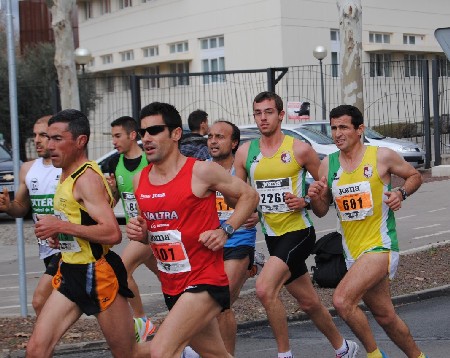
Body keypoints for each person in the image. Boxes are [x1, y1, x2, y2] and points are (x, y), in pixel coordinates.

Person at [126, 102, 259, 357]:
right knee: (216, 354)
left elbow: (249, 196)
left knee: (161, 351)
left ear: (176, 134)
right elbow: (152, 232)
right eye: (143, 132)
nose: (147, 138)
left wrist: (225, 230)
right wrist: (141, 233)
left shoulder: (200, 171)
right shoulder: (139, 179)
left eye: (155, 130)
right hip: (172, 283)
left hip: (204, 281)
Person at [234, 91, 359, 358]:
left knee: (265, 290)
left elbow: (325, 189)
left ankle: (284, 354)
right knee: (308, 302)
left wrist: (305, 200)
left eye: (268, 112)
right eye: (258, 113)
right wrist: (249, 210)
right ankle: (344, 347)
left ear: (280, 115)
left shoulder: (300, 149)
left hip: (299, 232)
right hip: (272, 236)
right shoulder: (245, 152)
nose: (263, 118)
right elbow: (241, 194)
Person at [307, 105, 427, 358]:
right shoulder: (327, 164)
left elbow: (414, 175)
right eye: (334, 128)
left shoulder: (382, 156)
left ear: (359, 129)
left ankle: (374, 355)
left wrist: (400, 193)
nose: (337, 133)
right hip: (353, 252)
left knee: (342, 301)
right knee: (385, 315)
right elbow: (320, 210)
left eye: (343, 127)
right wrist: (315, 196)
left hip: (381, 245)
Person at [26, 109, 142, 358]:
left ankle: (179, 351)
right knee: (36, 350)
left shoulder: (86, 178)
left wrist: (60, 227)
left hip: (98, 273)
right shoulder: (65, 173)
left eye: (58, 139)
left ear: (80, 141)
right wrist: (63, 236)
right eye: (48, 137)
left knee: (128, 354)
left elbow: (112, 233)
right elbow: (80, 219)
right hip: (71, 271)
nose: (49, 145)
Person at [0, 115, 61, 316]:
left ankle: (44, 346)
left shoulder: (67, 167)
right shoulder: (27, 169)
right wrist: (8, 207)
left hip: (66, 249)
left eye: (43, 135)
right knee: (62, 301)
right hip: (45, 248)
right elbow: (21, 207)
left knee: (39, 301)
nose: (36, 140)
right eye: (35, 135)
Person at [207, 120, 259, 354]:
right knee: (206, 305)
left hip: (238, 241)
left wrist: (259, 216)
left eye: (220, 136)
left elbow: (267, 199)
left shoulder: (245, 171)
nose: (213, 141)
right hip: (209, 245)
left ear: (234, 142)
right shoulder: (202, 170)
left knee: (220, 302)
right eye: (210, 136)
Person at [106, 116, 158, 342]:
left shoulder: (150, 160)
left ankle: (142, 321)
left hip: (154, 230)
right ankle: (190, 306)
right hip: (136, 232)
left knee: (121, 269)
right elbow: (113, 201)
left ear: (132, 135)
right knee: (168, 276)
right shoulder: (115, 164)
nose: (114, 141)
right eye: (112, 137)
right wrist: (109, 192)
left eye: (118, 136)